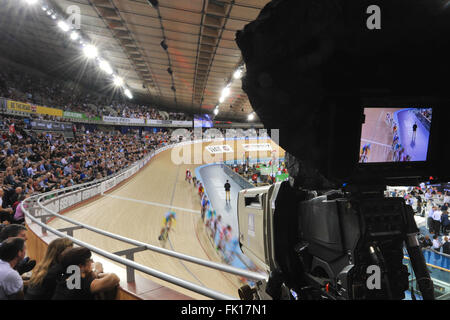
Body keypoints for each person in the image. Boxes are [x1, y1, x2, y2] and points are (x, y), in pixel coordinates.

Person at [52, 247, 120, 300]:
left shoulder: (65, 278)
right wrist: (97, 271)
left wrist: (96, 273)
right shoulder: (80, 284)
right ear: (81, 266)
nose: (92, 262)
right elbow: (113, 278)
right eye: (89, 260)